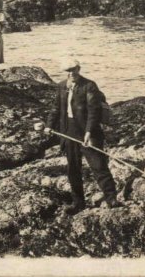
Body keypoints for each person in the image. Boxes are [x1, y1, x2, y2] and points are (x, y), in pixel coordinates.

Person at [43, 59, 121, 214]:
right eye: (68, 71)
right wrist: (49, 125)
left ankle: (111, 198)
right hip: (68, 131)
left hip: (88, 130)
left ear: (79, 69)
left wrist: (89, 132)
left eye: (73, 70)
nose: (71, 73)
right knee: (73, 168)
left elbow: (94, 111)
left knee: (98, 165)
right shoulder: (61, 86)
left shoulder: (89, 85)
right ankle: (78, 203)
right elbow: (56, 108)